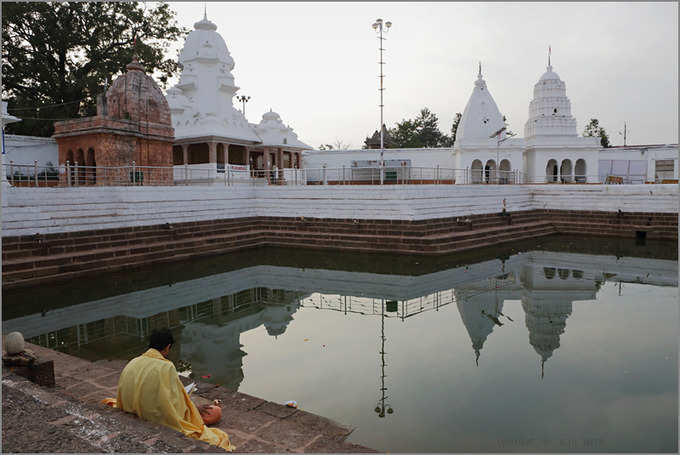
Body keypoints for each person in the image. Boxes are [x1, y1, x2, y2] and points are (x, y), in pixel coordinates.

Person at [102, 329, 233, 451]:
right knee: (216, 411)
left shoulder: (134, 361)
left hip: (130, 406)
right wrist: (194, 410)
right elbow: (173, 405)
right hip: (154, 414)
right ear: (168, 347)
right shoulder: (166, 366)